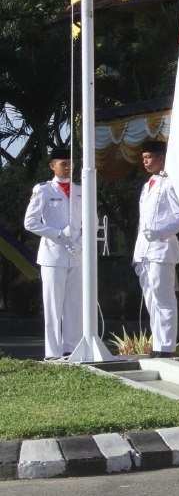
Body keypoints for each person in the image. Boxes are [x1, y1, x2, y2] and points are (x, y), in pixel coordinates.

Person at [24, 148, 83, 360]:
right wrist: (58, 234)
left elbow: (91, 222)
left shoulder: (80, 190)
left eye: (70, 163)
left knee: (75, 304)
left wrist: (81, 242)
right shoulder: (44, 190)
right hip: (53, 254)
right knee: (53, 304)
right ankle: (52, 351)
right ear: (52, 165)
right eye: (63, 163)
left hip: (77, 253)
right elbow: (30, 223)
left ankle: (71, 347)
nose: (68, 167)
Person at [132, 140, 179, 358]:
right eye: (143, 157)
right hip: (145, 251)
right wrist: (137, 253)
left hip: (162, 248)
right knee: (151, 299)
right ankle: (157, 344)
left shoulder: (171, 183)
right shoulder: (147, 186)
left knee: (163, 298)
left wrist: (160, 233)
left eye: (148, 157)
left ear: (161, 158)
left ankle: (167, 346)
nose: (144, 161)